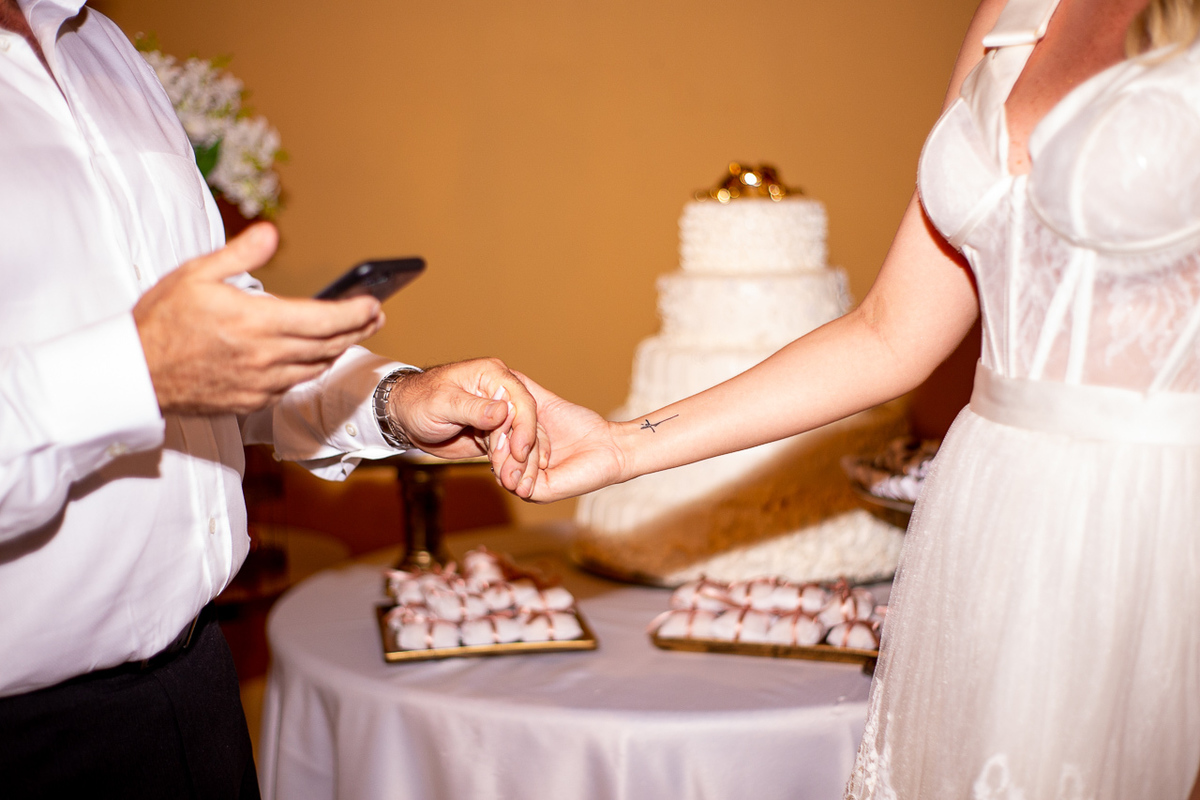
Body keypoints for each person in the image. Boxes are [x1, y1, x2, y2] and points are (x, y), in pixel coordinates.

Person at [497, 0, 1200, 796]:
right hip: (989, 514)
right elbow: (888, 333)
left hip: (1162, 520)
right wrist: (623, 446)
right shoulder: (1016, 10)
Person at [0, 0, 544, 796]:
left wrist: (393, 401)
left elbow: (214, 352)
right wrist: (138, 372)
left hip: (194, 695)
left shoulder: (99, 46)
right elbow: (160, 361)